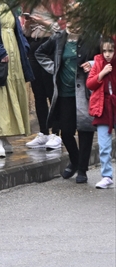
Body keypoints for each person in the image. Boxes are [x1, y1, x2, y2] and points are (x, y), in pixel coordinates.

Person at [37, 26, 101, 183]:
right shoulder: (59, 38)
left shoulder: (92, 38)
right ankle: (75, 159)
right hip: (64, 93)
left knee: (85, 130)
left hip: (84, 92)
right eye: (72, 18)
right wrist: (55, 68)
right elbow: (39, 53)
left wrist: (93, 64)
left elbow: (105, 57)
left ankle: (82, 170)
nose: (75, 23)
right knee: (65, 131)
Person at [0, 5, 30, 157]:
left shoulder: (11, 5)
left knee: (12, 94)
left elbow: (17, 30)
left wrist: (24, 46)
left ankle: (5, 136)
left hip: (14, 55)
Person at [23, 0, 64, 150]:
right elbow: (25, 33)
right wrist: (27, 25)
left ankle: (56, 133)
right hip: (34, 46)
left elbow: (61, 31)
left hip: (49, 47)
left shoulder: (55, 5)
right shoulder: (31, 4)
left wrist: (45, 23)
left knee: (51, 91)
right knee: (38, 92)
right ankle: (43, 132)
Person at [86, 38, 115, 189]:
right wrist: (102, 73)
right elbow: (90, 83)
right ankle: (106, 175)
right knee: (104, 145)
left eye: (111, 51)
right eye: (105, 51)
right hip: (102, 108)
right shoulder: (98, 62)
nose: (108, 54)